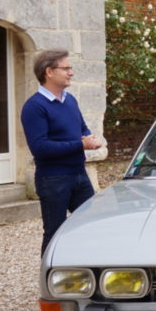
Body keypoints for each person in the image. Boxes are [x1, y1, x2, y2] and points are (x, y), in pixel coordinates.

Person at [20, 49, 103, 255]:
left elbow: (81, 128)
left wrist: (88, 138)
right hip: (53, 180)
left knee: (90, 225)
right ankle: (50, 280)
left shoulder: (70, 100)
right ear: (49, 71)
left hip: (79, 175)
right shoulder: (34, 107)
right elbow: (40, 148)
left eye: (70, 68)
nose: (71, 72)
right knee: (54, 232)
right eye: (66, 68)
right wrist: (80, 144)